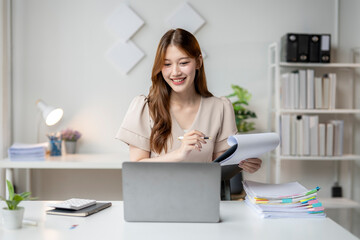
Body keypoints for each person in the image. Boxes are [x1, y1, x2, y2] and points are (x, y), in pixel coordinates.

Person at [116, 28, 261, 174]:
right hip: (154, 194)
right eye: (167, 64)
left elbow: (220, 169)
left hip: (202, 195)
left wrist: (243, 164)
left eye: (183, 63)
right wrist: (179, 154)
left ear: (198, 62)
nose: (175, 72)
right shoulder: (145, 107)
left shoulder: (220, 108)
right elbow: (135, 168)